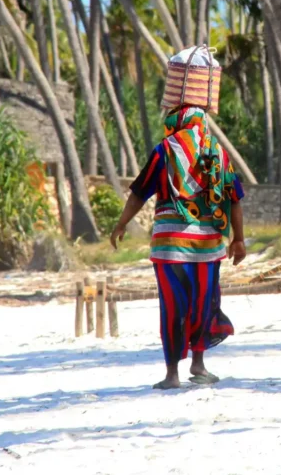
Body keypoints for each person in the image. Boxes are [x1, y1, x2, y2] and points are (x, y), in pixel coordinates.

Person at [111, 104, 246, 390]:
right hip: (208, 246)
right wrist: (239, 238)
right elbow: (234, 197)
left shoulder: (165, 151)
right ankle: (198, 364)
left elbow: (139, 192)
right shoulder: (217, 153)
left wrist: (121, 223)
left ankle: (172, 374)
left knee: (173, 307)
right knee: (204, 302)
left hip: (170, 246)